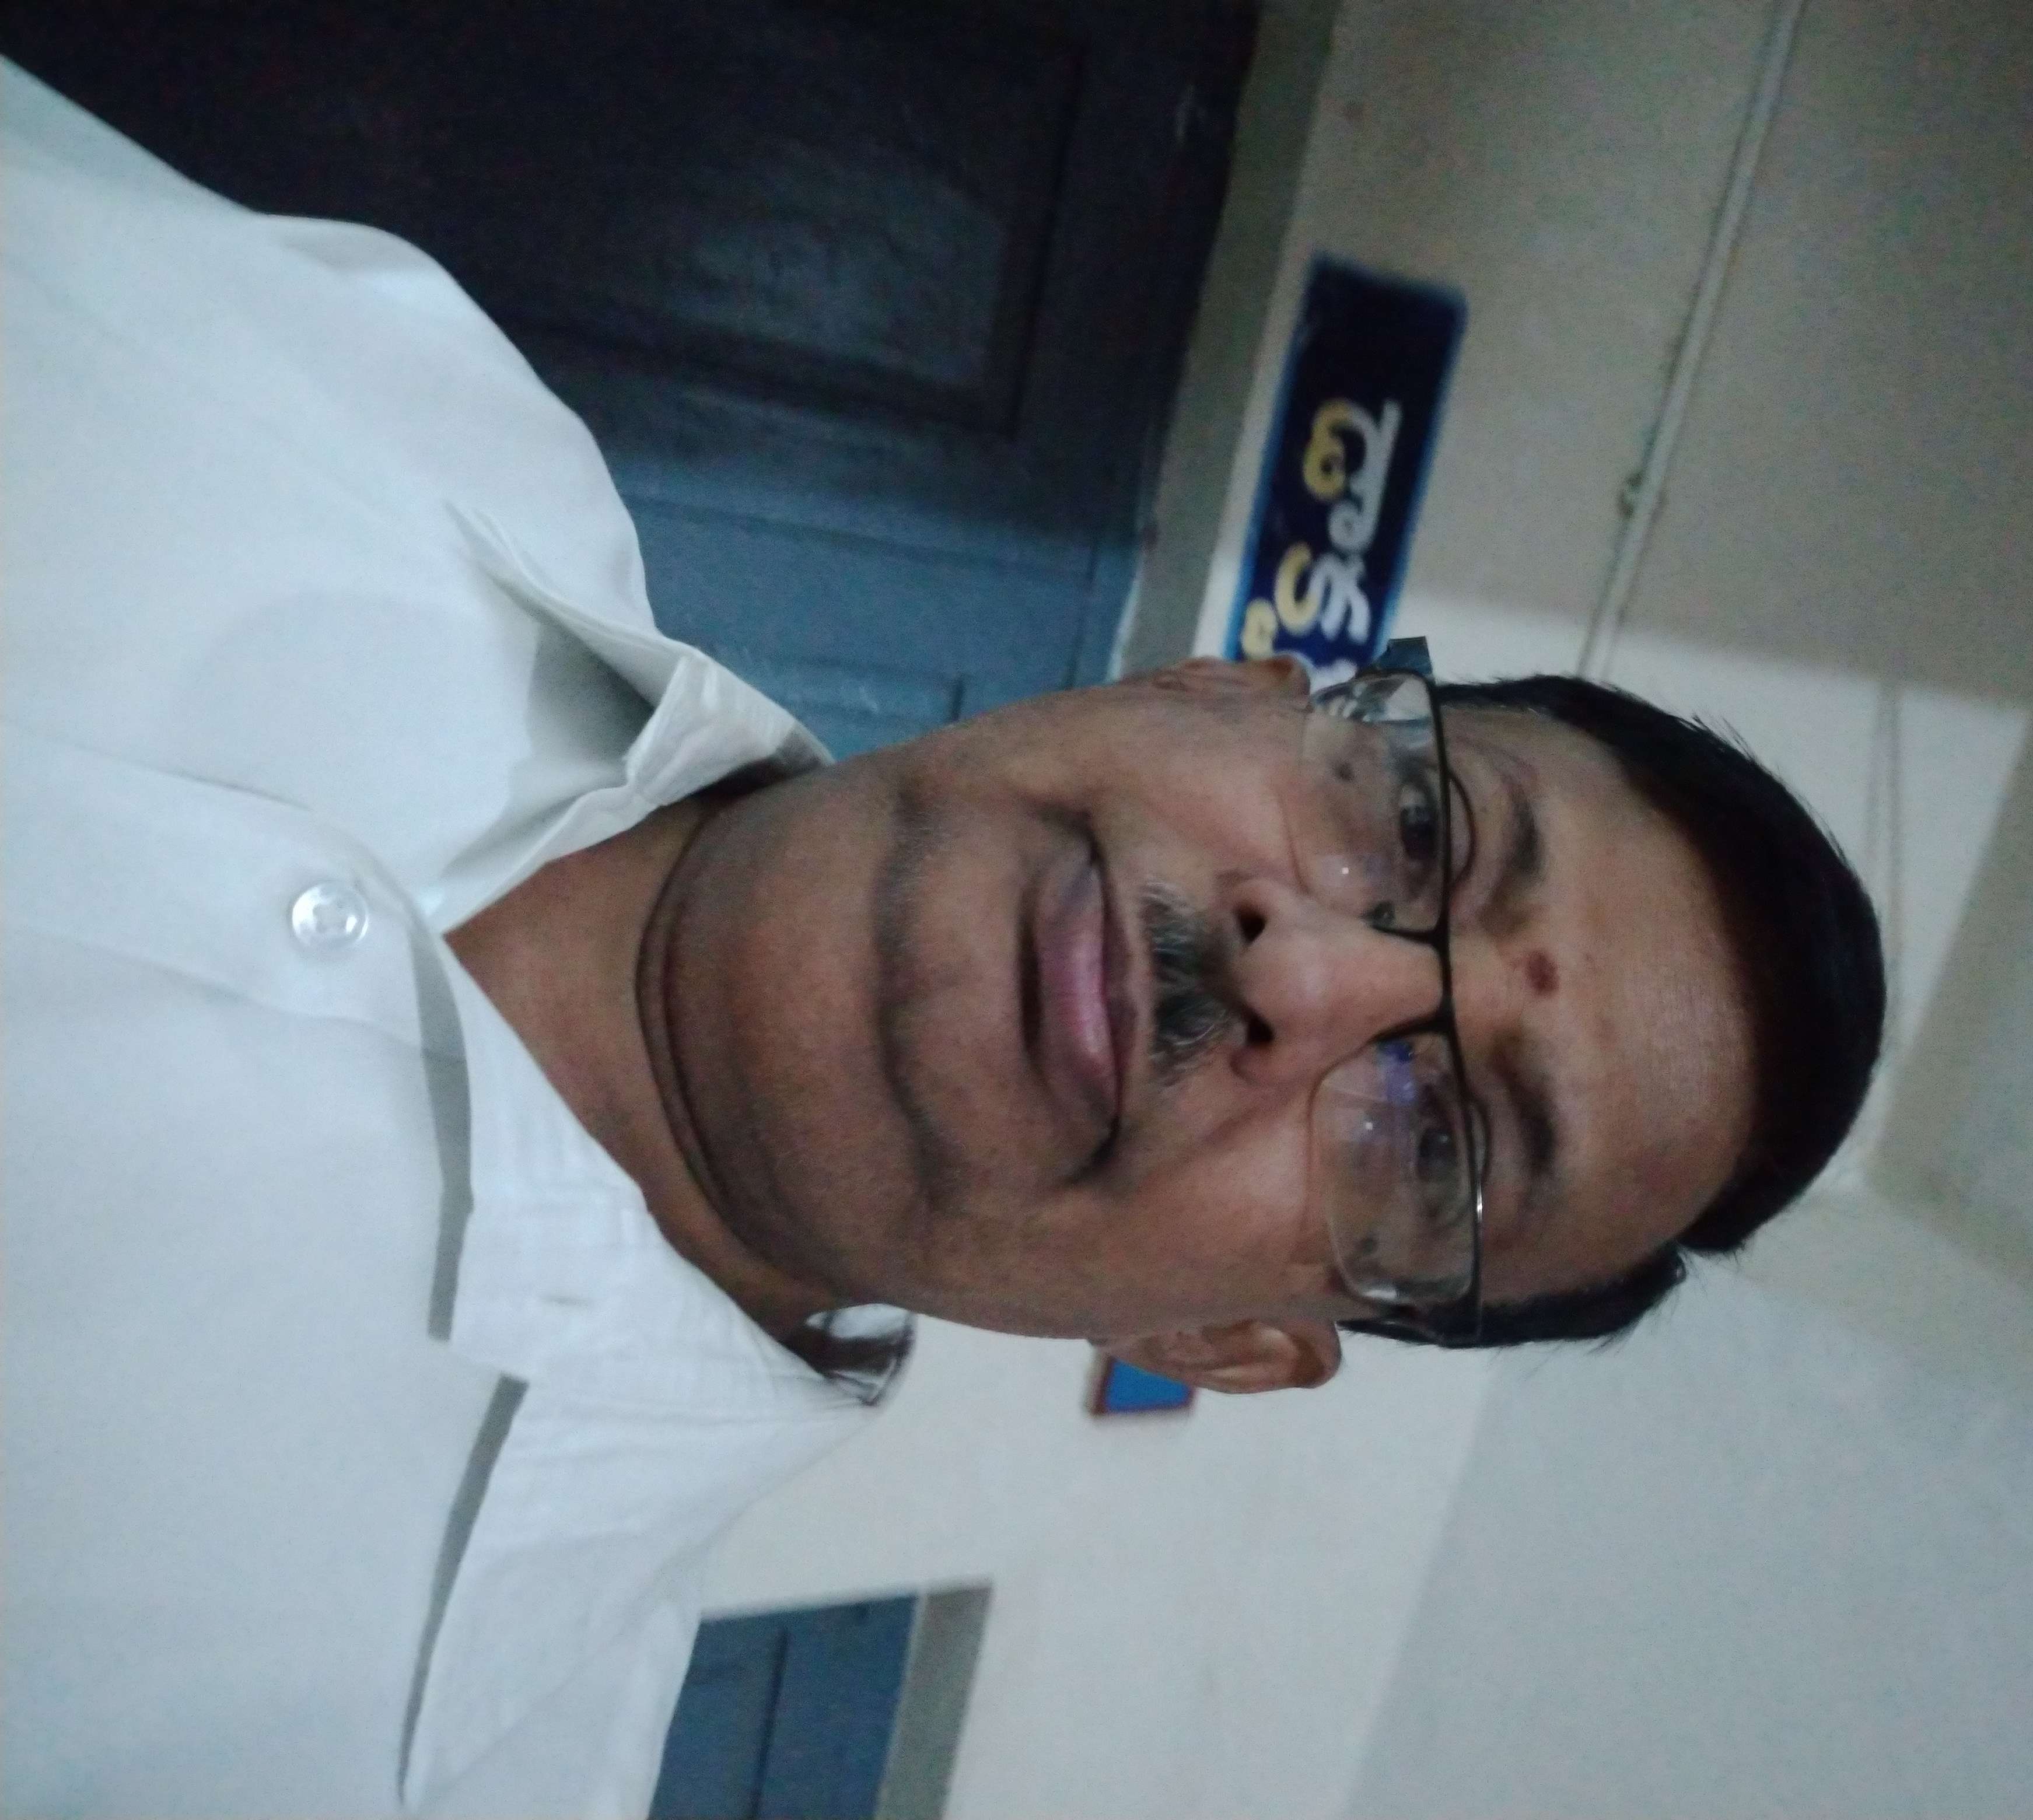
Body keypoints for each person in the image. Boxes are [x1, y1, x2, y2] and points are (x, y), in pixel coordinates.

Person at [0, 60, 1884, 1819]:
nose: (1306, 974)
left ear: (1219, 1339)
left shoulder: (411, 1768)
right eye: (1423, 829)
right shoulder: (390, 392)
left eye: (1445, 1142)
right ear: (1212, 685)